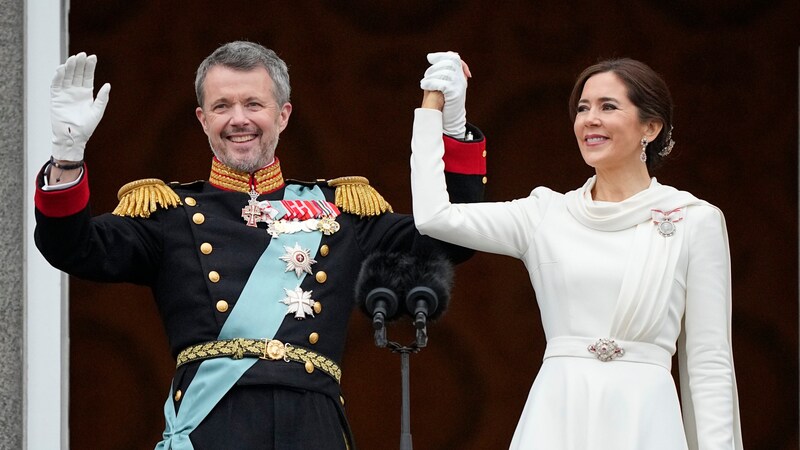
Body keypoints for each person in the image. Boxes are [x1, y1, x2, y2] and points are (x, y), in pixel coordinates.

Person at [34, 41, 487, 450]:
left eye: (254, 104)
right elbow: (73, 248)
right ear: (203, 119)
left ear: (283, 115)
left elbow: (450, 240)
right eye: (222, 106)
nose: (239, 119)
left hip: (312, 427)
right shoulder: (168, 212)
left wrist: (454, 130)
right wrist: (67, 157)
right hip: (211, 427)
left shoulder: (343, 209)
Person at [410, 53, 743, 449]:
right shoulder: (546, 214)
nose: (590, 119)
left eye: (608, 106)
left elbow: (709, 364)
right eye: (582, 108)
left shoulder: (694, 220)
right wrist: (441, 116)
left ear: (650, 127)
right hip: (557, 415)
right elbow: (434, 216)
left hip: (646, 419)